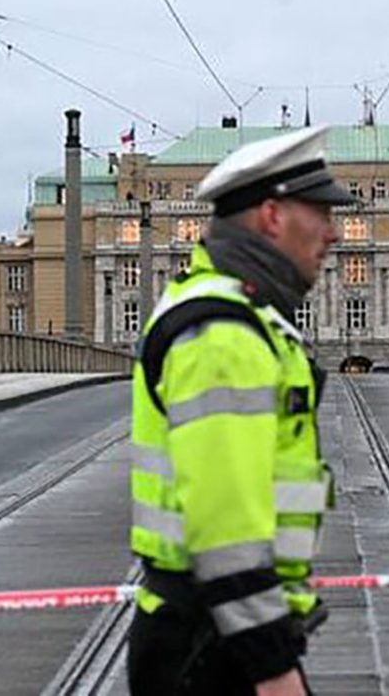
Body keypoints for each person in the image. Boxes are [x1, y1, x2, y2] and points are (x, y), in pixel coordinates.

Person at [127, 125, 355, 696]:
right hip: (214, 646)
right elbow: (225, 529)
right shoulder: (225, 337)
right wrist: (274, 671)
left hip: (216, 633)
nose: (334, 233)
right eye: (320, 214)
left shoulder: (233, 312)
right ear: (273, 216)